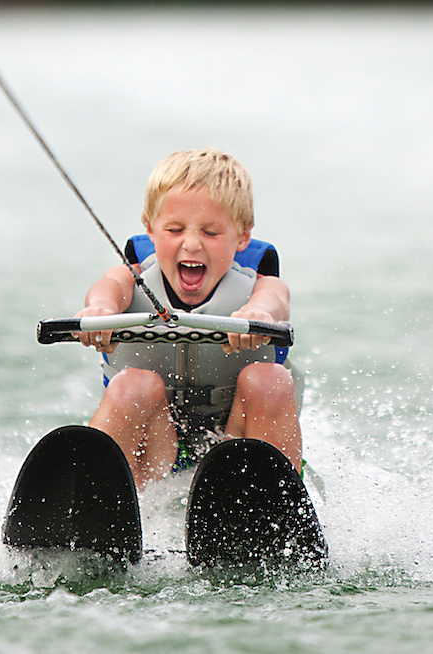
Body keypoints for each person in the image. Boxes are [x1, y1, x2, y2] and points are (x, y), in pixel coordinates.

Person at [75, 148, 303, 490]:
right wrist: (101, 312)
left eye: (210, 232)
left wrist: (259, 315)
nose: (192, 244)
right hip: (154, 445)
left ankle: (273, 503)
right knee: (133, 385)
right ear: (150, 229)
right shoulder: (130, 276)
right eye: (175, 229)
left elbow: (275, 300)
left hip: (237, 445)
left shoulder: (260, 285)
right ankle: (95, 497)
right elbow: (107, 289)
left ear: (242, 236)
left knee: (268, 380)